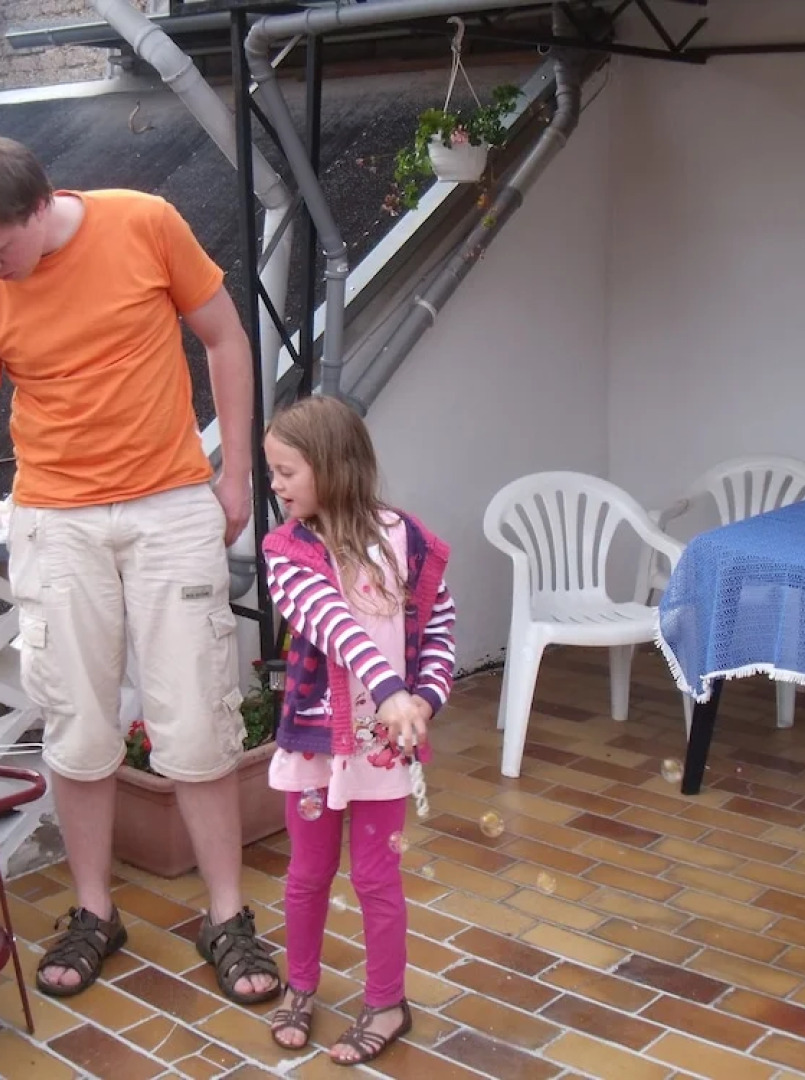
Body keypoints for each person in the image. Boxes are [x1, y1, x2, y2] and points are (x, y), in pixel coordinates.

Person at [0, 134, 280, 1004]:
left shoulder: (145, 224)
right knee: (76, 730)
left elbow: (225, 338)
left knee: (198, 723)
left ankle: (227, 917)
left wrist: (235, 475)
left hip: (169, 508)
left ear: (41, 206)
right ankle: (94, 911)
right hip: (54, 524)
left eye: (0, 249)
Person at [259, 395, 456, 1065]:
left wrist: (424, 697)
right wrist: (390, 689)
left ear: (333, 465)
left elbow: (439, 626)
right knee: (308, 873)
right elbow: (333, 625)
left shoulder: (410, 540)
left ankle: (387, 1002)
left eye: (287, 471)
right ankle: (301, 985)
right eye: (273, 471)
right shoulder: (288, 551)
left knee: (377, 879)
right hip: (315, 744)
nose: (275, 485)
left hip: (381, 751)